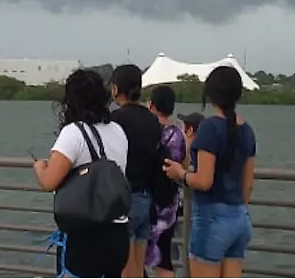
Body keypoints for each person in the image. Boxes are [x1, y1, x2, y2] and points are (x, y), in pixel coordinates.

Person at [33, 68, 131, 277]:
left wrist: (40, 168)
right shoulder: (117, 130)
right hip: (118, 233)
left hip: (86, 235)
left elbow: (49, 182)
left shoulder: (73, 133)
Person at [163, 66, 256, 279]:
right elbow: (248, 185)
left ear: (211, 93)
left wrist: (181, 173)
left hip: (212, 219)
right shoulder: (247, 130)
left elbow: (204, 181)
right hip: (239, 218)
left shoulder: (210, 128)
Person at [110, 64, 165, 278]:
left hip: (125, 199)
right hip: (147, 199)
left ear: (115, 89)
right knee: (138, 268)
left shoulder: (115, 120)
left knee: (124, 269)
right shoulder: (152, 120)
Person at [145, 85, 186, 278]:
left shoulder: (148, 131)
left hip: (147, 200)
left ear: (151, 104)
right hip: (169, 204)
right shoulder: (179, 134)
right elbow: (184, 165)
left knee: (135, 254)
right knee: (164, 257)